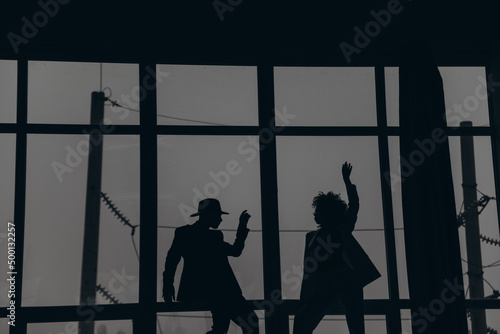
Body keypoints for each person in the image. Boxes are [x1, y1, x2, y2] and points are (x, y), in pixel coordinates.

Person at [293, 162, 381, 334]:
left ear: (329, 213)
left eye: (319, 211)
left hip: (348, 283)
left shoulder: (342, 229)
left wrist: (347, 183)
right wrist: (305, 298)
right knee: (301, 320)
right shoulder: (311, 237)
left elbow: (354, 207)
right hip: (327, 286)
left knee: (356, 328)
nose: (315, 214)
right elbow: (308, 271)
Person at [163, 198, 259, 334]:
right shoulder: (214, 237)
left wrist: (168, 285)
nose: (220, 219)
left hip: (206, 291)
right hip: (222, 291)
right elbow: (235, 251)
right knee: (244, 323)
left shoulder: (185, 234)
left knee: (222, 327)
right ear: (210, 215)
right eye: (218, 215)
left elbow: (172, 260)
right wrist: (241, 227)